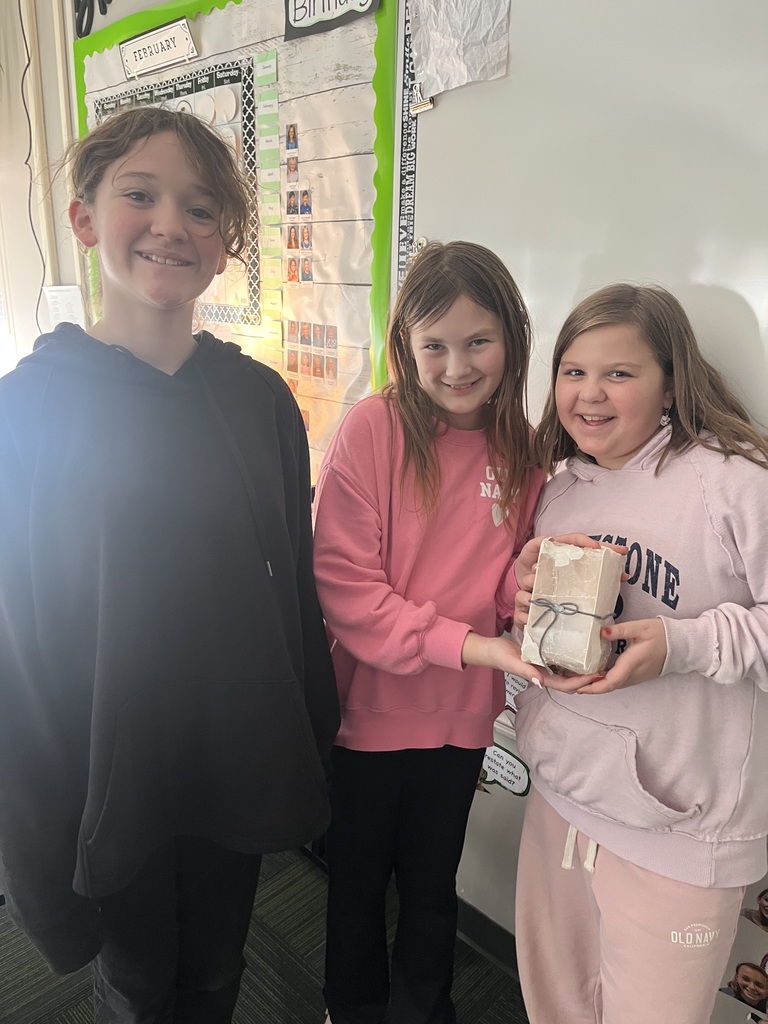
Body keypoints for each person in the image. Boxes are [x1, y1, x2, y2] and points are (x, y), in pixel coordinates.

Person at [0, 106, 339, 1024]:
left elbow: (291, 590)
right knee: (141, 989)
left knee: (216, 974)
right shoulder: (26, 412)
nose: (169, 226)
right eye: (138, 196)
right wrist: (33, 836)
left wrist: (311, 746)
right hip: (108, 772)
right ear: (83, 219)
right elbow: (17, 646)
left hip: (232, 759)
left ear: (225, 243)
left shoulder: (259, 401)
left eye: (199, 210)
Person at [313, 240, 590, 1024]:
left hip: (461, 720)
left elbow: (499, 581)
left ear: (512, 338)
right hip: (366, 718)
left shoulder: (526, 452)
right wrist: (472, 644)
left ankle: (426, 1010)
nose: (457, 365)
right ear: (406, 344)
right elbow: (346, 589)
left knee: (435, 886)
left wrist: (525, 588)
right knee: (358, 887)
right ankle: (354, 1009)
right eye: (434, 344)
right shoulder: (371, 431)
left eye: (478, 341)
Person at [512, 284, 768, 1024]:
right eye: (573, 371)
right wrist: (527, 593)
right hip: (563, 796)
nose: (589, 395)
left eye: (618, 374)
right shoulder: (558, 487)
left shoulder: (735, 482)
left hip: (680, 834)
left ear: (670, 382)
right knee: (553, 1008)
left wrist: (683, 646)